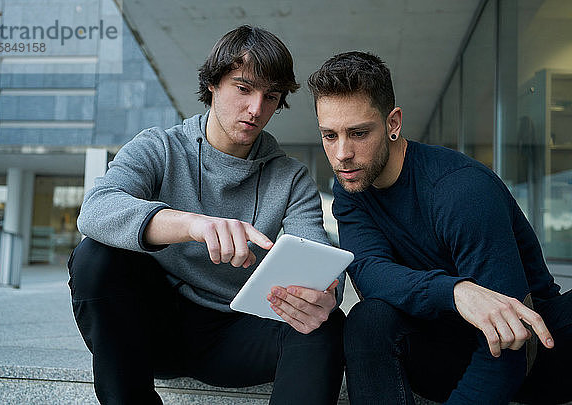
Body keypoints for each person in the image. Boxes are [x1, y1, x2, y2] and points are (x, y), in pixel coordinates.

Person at [68, 25, 345, 405]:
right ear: (213, 84)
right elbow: (96, 209)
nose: (256, 109)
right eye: (244, 88)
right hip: (152, 330)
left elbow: (318, 257)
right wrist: (192, 224)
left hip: (240, 337)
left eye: (271, 96)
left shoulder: (290, 177)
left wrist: (323, 295)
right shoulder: (159, 147)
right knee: (95, 256)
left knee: (325, 323)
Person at [307, 51, 572, 405]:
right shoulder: (352, 185)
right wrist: (456, 291)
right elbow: (370, 273)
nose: (341, 153)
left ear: (393, 123)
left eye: (358, 133)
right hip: (445, 350)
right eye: (329, 135)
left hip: (534, 353)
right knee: (368, 318)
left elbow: (513, 342)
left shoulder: (460, 190)